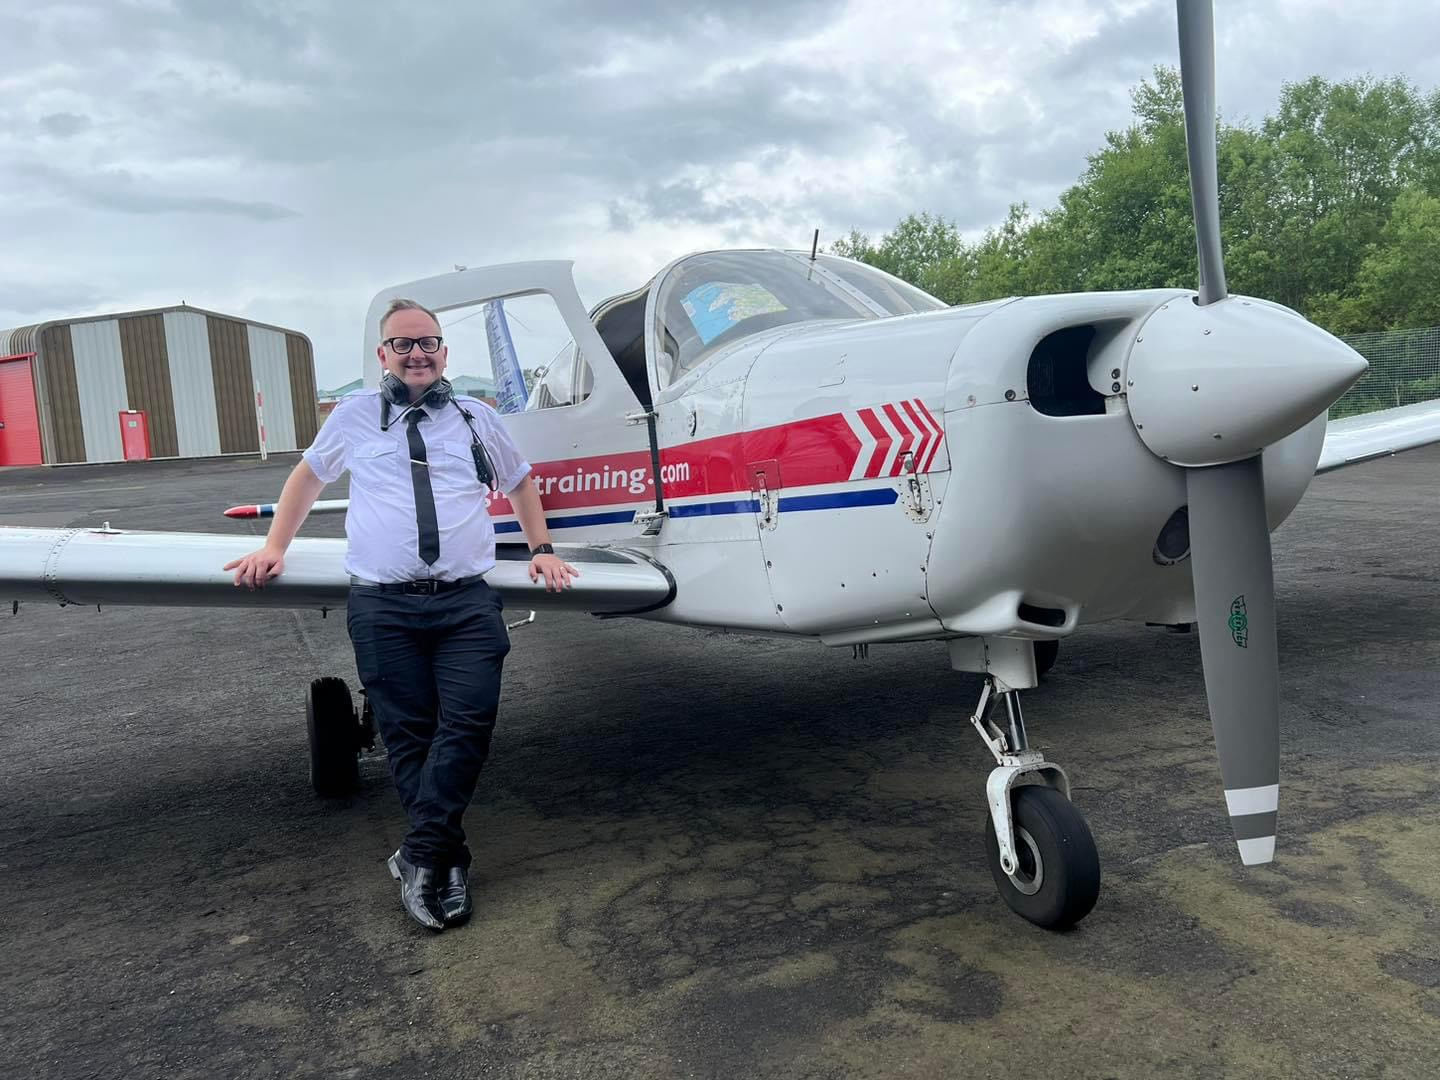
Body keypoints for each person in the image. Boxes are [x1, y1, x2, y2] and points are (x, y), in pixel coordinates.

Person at [224, 297, 577, 932]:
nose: (418, 353)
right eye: (404, 344)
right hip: (384, 604)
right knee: (408, 735)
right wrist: (275, 546)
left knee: (467, 725)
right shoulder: (354, 416)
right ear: (383, 355)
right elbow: (307, 480)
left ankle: (419, 853)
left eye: (429, 342)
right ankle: (447, 862)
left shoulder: (478, 417)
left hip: (466, 602)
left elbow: (520, 482)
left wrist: (543, 548)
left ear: (445, 352)